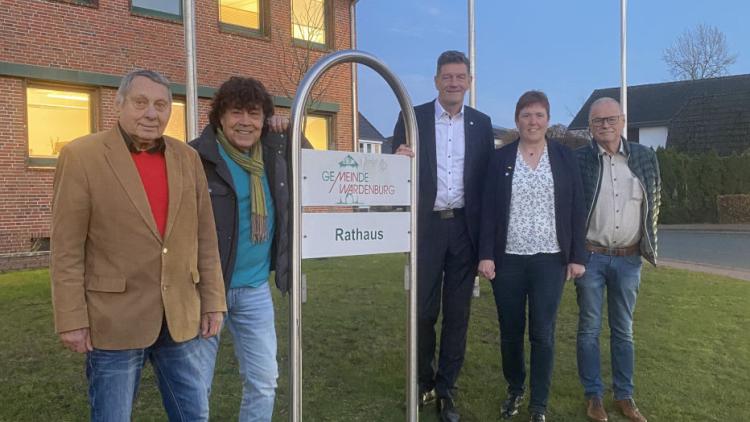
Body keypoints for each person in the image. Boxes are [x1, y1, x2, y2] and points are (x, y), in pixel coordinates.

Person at [50, 69, 226, 422]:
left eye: (161, 105)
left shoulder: (187, 157)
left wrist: (214, 302)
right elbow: (67, 249)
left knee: (194, 415)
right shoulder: (81, 156)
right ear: (120, 104)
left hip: (180, 317)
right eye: (141, 102)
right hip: (114, 320)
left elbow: (205, 238)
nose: (151, 113)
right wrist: (71, 319)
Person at [393, 50, 494, 422]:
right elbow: (392, 164)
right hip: (426, 228)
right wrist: (397, 156)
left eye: (460, 77)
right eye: (447, 76)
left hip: (465, 229)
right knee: (422, 311)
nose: (454, 83)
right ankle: (424, 381)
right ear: (436, 80)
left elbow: (486, 182)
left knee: (457, 314)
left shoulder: (481, 124)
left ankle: (446, 388)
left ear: (469, 82)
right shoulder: (412, 117)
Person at [478, 91, 587, 422]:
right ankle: (515, 388)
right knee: (511, 331)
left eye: (539, 115)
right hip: (507, 259)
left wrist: (577, 256)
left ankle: (539, 404)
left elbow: (577, 208)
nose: (533, 122)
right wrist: (486, 254)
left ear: (548, 120)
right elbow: (488, 210)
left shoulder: (565, 157)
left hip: (550, 260)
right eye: (526, 115)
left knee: (543, 333)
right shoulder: (500, 158)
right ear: (517, 120)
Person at [190, 76, 293, 422]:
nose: (245, 121)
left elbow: (322, 169)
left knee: (264, 382)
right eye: (236, 112)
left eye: (254, 113)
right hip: (206, 290)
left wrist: (291, 129)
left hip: (254, 288)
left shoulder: (274, 153)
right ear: (220, 117)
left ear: (265, 119)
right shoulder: (196, 157)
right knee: (196, 386)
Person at [574, 97, 660, 422]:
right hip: (591, 258)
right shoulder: (580, 160)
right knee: (588, 329)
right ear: (590, 127)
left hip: (628, 259)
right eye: (597, 121)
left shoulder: (644, 157)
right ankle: (593, 396)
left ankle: (625, 396)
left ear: (622, 121)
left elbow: (654, 201)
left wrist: (648, 244)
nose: (605, 125)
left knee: (623, 330)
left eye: (611, 119)